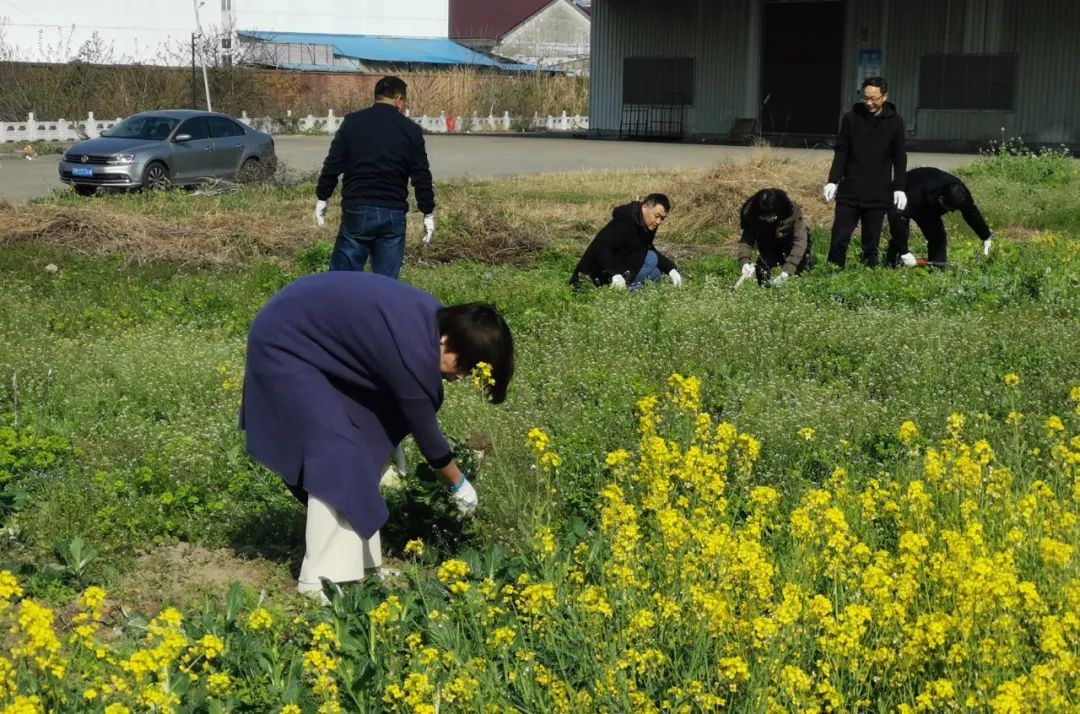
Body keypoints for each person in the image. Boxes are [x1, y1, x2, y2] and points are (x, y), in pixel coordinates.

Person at [240, 271, 514, 601]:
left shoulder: (436, 323)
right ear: (447, 342)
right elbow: (429, 438)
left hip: (313, 344)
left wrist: (387, 438)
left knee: (358, 448)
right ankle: (319, 580)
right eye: (465, 366)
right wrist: (458, 483)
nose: (462, 376)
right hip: (284, 344)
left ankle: (362, 567)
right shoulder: (416, 349)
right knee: (336, 453)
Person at [314, 76, 435, 278]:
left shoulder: (352, 123)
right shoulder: (410, 130)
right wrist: (427, 212)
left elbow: (333, 163)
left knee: (342, 282)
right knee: (386, 285)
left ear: (377, 96)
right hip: (393, 213)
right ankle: (380, 310)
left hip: (357, 209)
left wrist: (322, 197)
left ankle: (341, 309)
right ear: (399, 99)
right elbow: (421, 174)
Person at [823, 77, 908, 268]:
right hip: (850, 190)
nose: (869, 103)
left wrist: (899, 187)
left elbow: (899, 156)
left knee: (871, 243)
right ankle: (831, 274)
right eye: (865, 97)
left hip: (878, 191)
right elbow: (842, 151)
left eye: (874, 98)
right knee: (839, 238)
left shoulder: (895, 122)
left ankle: (868, 275)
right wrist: (832, 180)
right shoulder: (851, 119)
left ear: (885, 96)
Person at [569, 193, 683, 290]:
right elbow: (601, 248)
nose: (659, 222)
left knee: (656, 272)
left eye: (663, 218)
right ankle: (622, 290)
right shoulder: (623, 223)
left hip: (620, 265)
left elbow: (647, 248)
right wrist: (614, 273)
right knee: (651, 259)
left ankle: (628, 289)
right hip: (595, 275)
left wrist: (671, 269)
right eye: (657, 216)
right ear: (645, 208)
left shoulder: (645, 225)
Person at [885, 167, 993, 267]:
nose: (950, 212)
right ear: (941, 198)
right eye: (948, 208)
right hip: (907, 193)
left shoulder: (960, 193)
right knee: (901, 234)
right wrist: (904, 251)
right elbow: (896, 217)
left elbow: (971, 213)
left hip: (929, 205)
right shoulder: (917, 193)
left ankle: (937, 269)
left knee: (938, 237)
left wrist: (985, 236)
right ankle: (891, 265)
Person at [736, 188, 811, 286]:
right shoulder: (753, 212)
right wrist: (744, 262)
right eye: (765, 217)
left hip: (790, 243)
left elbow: (800, 241)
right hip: (768, 245)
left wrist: (788, 270)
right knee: (762, 272)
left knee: (799, 276)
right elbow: (747, 240)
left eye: (771, 216)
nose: (768, 219)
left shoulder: (792, 211)